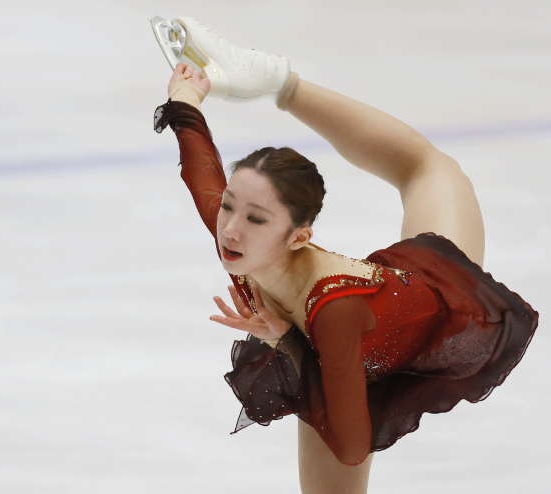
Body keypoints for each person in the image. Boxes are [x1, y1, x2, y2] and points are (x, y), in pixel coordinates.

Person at [153, 17, 538, 494]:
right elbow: (203, 176)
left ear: (299, 236)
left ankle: (280, 80)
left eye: (255, 218)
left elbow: (353, 445)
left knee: (427, 168)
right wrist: (186, 101)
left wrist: (287, 341)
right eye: (230, 206)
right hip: (341, 348)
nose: (228, 229)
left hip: (436, 306)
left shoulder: (333, 310)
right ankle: (276, 85)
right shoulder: (240, 240)